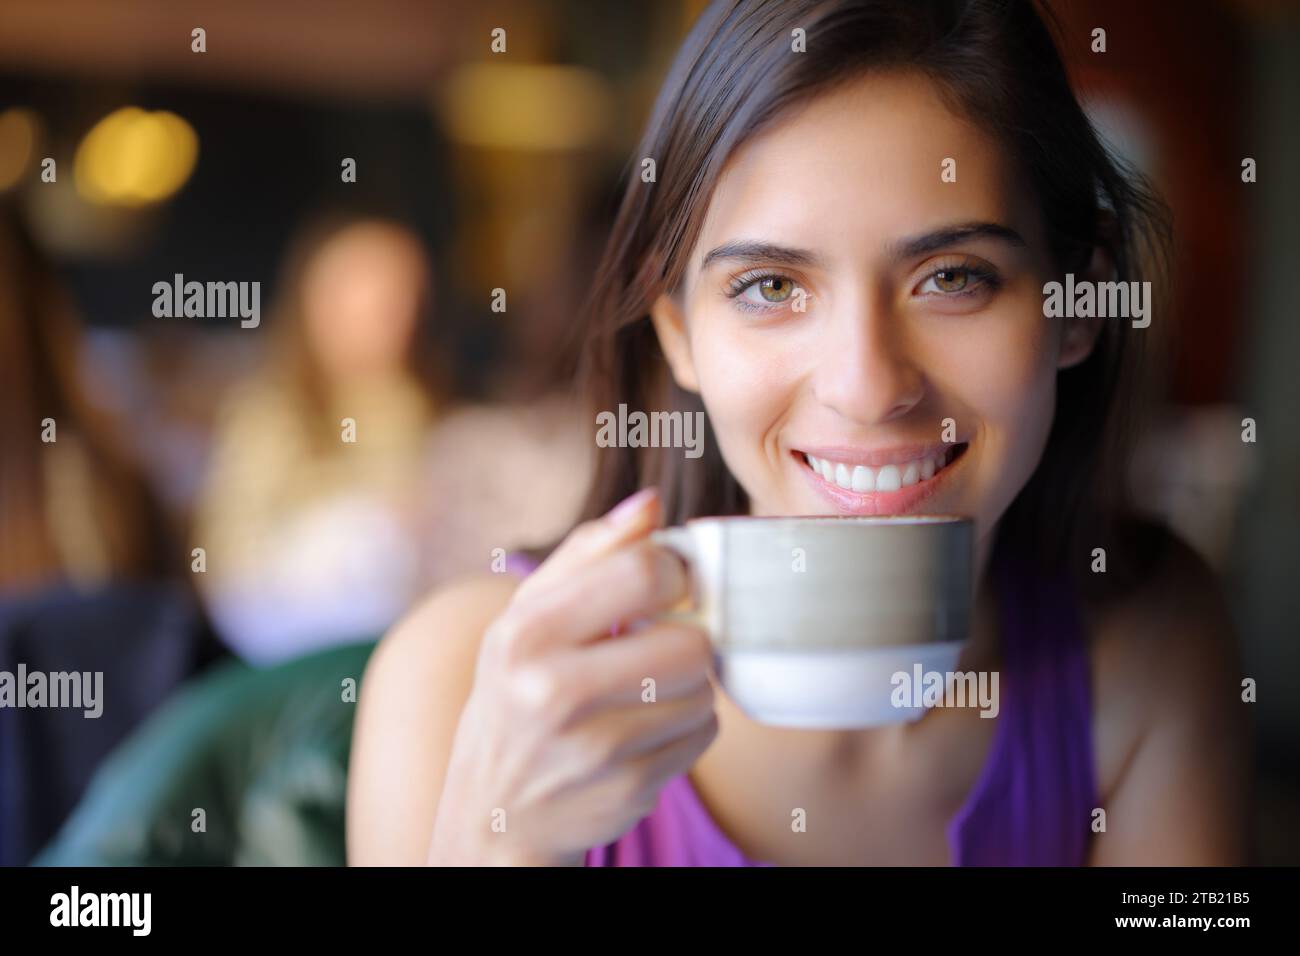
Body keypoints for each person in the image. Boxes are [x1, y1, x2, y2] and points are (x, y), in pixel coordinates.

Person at [347, 0, 1250, 866]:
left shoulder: (1145, 643)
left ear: (1076, 304)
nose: (865, 388)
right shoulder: (457, 684)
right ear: (677, 330)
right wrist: (500, 848)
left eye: (954, 277)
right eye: (772, 288)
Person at [192, 214, 443, 662]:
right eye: (364, 293)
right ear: (315, 301)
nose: (387, 313)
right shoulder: (266, 418)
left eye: (401, 296)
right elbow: (229, 567)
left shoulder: (429, 411)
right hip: (296, 663)